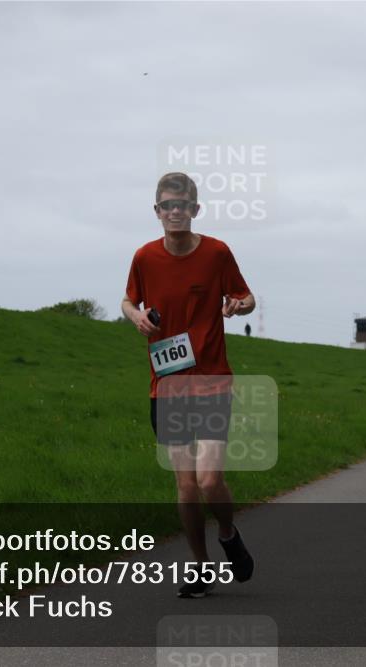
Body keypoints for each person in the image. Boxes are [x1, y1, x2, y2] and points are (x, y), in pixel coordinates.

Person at [122, 172, 255, 598]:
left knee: (210, 481)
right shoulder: (144, 257)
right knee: (185, 485)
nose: (174, 211)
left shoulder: (217, 253)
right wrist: (135, 315)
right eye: (166, 205)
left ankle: (229, 533)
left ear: (195, 210)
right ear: (157, 211)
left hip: (212, 381)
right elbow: (128, 299)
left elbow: (247, 296)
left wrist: (238, 304)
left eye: (182, 205)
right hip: (167, 386)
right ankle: (200, 567)